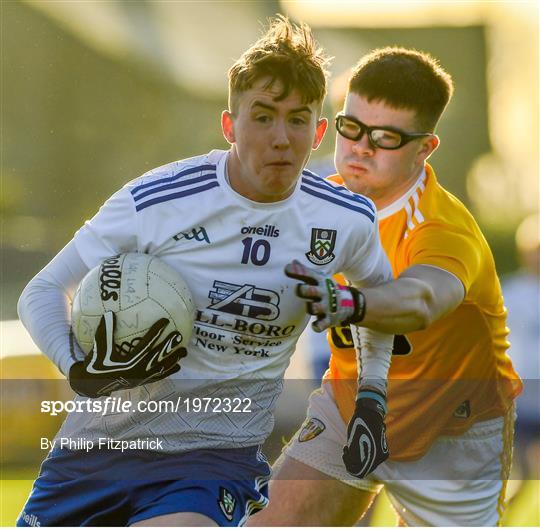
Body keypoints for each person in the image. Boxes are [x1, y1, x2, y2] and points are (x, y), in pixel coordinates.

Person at [16, 17, 395, 527]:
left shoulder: (345, 221)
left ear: (320, 130)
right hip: (97, 449)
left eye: (298, 119)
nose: (282, 138)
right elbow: (42, 290)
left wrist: (372, 396)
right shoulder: (158, 200)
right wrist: (78, 370)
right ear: (229, 125)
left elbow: (382, 305)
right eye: (262, 117)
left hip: (213, 458)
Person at [249, 47, 523, 527]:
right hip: (348, 406)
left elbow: (418, 299)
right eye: (350, 128)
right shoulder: (313, 202)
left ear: (424, 148)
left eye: (385, 137)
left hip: (453, 433)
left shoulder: (442, 230)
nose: (360, 148)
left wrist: (351, 303)